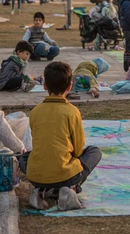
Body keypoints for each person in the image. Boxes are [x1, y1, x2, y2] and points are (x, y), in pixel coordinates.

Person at [27, 62, 101, 211]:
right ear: (69, 87)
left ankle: (41, 190)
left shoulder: (35, 111)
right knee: (94, 151)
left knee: (24, 156)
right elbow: (78, 150)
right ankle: (70, 188)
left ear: (45, 85)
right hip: (65, 175)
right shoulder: (72, 111)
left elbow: (38, 142)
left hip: (36, 176)